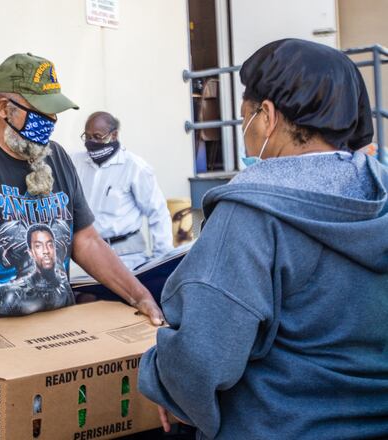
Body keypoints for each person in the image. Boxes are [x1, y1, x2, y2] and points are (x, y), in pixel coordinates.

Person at [0, 53, 164, 440]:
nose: (51, 123)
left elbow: (85, 240)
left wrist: (138, 294)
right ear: (4, 107)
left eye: (55, 114)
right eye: (41, 113)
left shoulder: (56, 158)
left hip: (56, 348)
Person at [138, 39, 388, 439]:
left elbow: (200, 361)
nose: (245, 132)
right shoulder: (380, 193)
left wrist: (161, 382)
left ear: (266, 116)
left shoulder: (250, 216)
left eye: (244, 118)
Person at [71, 112, 173, 269]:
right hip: (86, 255)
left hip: (126, 257)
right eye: (87, 137)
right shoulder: (75, 163)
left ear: (114, 135)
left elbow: (157, 212)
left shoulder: (135, 167)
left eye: (97, 137)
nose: (91, 142)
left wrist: (161, 260)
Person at [0, 223, 74, 315]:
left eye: (50, 245)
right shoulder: (12, 293)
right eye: (38, 246)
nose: (46, 251)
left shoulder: (64, 288)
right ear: (31, 252)